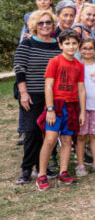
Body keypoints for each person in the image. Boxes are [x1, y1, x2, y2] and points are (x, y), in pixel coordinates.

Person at [14, 10, 62, 185]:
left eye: (48, 22)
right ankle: (27, 168)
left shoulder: (58, 45)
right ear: (34, 25)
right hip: (31, 94)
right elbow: (19, 68)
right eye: (41, 23)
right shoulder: (27, 43)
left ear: (53, 25)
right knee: (32, 131)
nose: (45, 26)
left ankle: (43, 166)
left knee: (49, 132)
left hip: (53, 95)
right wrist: (23, 93)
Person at [35, 29, 85, 191]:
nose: (71, 46)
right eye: (67, 43)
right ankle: (41, 175)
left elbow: (81, 90)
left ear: (78, 45)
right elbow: (48, 86)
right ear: (60, 44)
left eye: (74, 43)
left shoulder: (79, 65)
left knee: (67, 140)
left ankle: (63, 172)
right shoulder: (55, 62)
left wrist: (82, 111)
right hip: (56, 105)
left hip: (72, 106)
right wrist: (50, 109)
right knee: (50, 139)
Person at [74, 38, 95, 177]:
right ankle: (80, 164)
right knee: (81, 136)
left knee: (94, 135)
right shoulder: (76, 66)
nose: (87, 51)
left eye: (90, 48)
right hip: (81, 108)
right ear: (79, 50)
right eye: (84, 48)